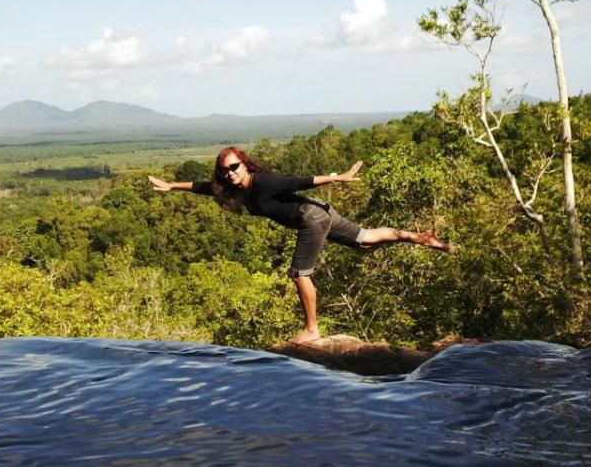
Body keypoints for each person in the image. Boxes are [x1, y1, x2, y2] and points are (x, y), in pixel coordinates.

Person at [148, 146, 454, 345]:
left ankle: (311, 330)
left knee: (299, 273)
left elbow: (298, 180)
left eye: (235, 167)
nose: (230, 173)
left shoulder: (263, 182)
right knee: (365, 239)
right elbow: (203, 188)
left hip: (312, 217)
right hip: (318, 212)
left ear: (245, 164)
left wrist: (339, 178)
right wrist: (172, 185)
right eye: (226, 170)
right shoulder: (232, 189)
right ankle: (420, 238)